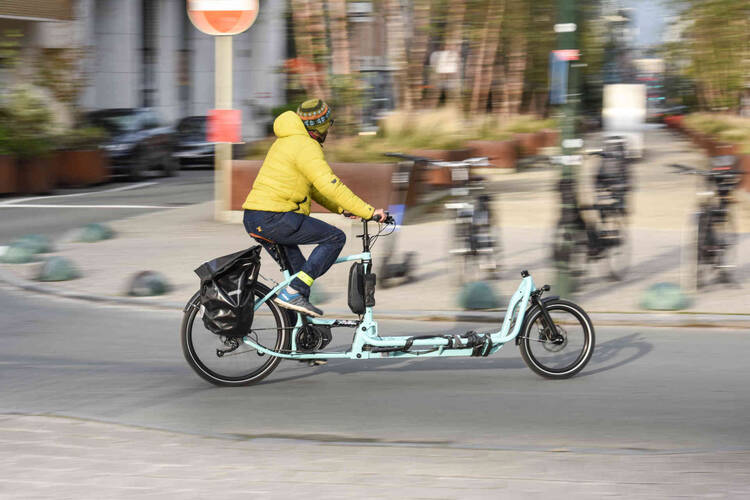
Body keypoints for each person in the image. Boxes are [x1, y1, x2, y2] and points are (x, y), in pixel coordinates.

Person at [242, 99, 386, 317]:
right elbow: (329, 184)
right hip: (274, 217)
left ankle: (296, 331)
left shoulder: (287, 140)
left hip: (257, 217)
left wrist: (342, 209)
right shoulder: (305, 145)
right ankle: (293, 293)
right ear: (320, 126)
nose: (330, 129)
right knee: (334, 238)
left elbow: (314, 189)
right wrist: (369, 211)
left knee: (301, 275)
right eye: (329, 124)